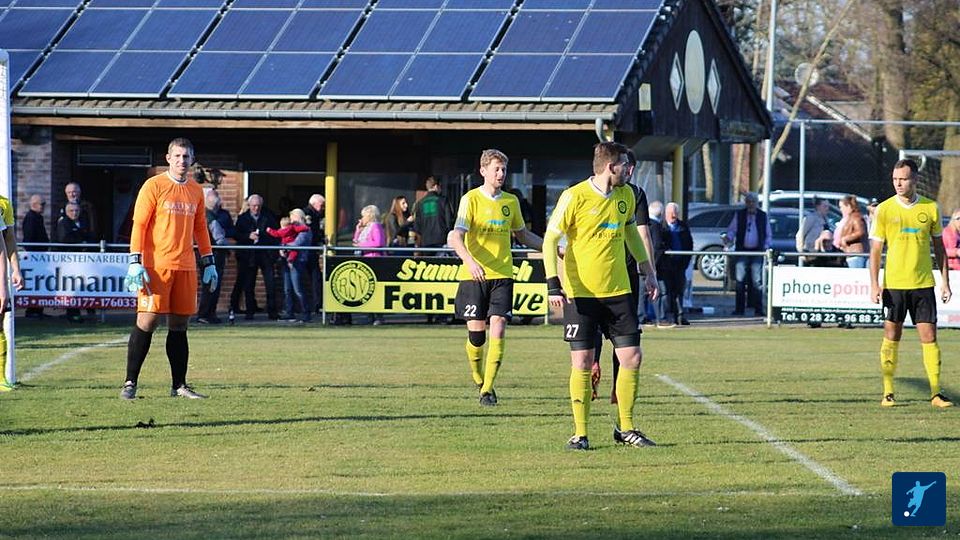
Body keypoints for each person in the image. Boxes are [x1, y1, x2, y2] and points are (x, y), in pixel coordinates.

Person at [542, 142, 658, 450]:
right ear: (610, 167)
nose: (629, 170)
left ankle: (626, 428)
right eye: (625, 165)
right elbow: (550, 239)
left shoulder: (626, 195)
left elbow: (631, 233)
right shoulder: (574, 196)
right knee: (582, 361)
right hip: (581, 294)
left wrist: (648, 271)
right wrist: (553, 283)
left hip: (619, 291)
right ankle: (580, 434)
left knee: (632, 357)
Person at [120, 137, 218, 400]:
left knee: (179, 324)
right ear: (168, 158)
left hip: (185, 266)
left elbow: (200, 228)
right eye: (177, 156)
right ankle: (130, 382)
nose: (181, 161)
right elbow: (140, 225)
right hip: (156, 266)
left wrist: (208, 261)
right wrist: (135, 261)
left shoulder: (196, 190)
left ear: (192, 160)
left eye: (186, 156)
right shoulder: (154, 185)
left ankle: (179, 386)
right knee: (147, 320)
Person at [448, 149, 543, 406]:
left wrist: (551, 247)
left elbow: (523, 235)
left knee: (499, 325)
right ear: (483, 171)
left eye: (503, 169)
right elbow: (455, 236)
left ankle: (488, 390)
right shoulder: (470, 199)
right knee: (477, 337)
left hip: (502, 274)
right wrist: (470, 262)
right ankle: (479, 378)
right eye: (496, 169)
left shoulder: (511, 202)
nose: (501, 174)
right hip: (474, 277)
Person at [869, 158, 952, 408]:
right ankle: (888, 392)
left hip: (923, 284)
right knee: (891, 335)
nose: (898, 184)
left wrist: (945, 282)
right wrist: (875, 284)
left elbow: (940, 248)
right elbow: (875, 251)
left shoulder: (930, 208)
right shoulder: (884, 209)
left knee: (929, 336)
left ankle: (936, 393)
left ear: (915, 179)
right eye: (895, 179)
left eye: (903, 179)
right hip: (894, 284)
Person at [590, 147, 657, 404]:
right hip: (621, 272)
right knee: (623, 334)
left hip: (606, 270)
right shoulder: (634, 193)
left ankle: (596, 365)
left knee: (599, 326)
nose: (628, 170)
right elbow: (643, 234)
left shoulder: (619, 192)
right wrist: (650, 271)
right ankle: (615, 387)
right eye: (625, 166)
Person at [233, 194, 280, 321]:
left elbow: (276, 235)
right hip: (249, 255)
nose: (256, 208)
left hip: (265, 254)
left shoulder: (268, 217)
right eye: (254, 206)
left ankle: (272, 312)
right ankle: (250, 312)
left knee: (270, 284)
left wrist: (268, 243)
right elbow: (236, 234)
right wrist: (248, 236)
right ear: (249, 205)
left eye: (258, 206)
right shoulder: (243, 218)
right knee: (249, 284)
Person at [725, 192, 772, 316]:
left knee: (757, 281)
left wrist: (766, 247)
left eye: (753, 202)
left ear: (756, 203)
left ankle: (758, 309)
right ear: (745, 203)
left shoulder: (763, 216)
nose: (750, 204)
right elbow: (732, 230)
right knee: (740, 281)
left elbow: (768, 234)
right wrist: (728, 238)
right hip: (742, 250)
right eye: (748, 202)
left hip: (758, 251)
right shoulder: (739, 215)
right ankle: (739, 309)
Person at [196, 189, 234, 324]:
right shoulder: (206, 216)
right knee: (210, 285)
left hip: (214, 254)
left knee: (213, 285)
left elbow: (231, 231)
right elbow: (219, 238)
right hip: (209, 254)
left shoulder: (221, 215)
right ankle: (204, 314)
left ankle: (209, 313)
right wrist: (227, 247)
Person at [657, 202, 693, 326]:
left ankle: (680, 316)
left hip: (680, 265)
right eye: (670, 213)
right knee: (665, 292)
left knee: (679, 292)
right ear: (665, 213)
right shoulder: (660, 227)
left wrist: (686, 261)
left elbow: (689, 244)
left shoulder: (683, 226)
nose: (673, 215)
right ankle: (665, 317)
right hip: (665, 266)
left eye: (675, 213)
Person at [57, 202, 94, 323]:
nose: (74, 213)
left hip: (82, 261)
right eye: (71, 211)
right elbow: (64, 239)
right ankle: (73, 313)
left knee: (85, 283)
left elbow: (89, 236)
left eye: (76, 211)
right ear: (66, 212)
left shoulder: (83, 222)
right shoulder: (63, 223)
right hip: (69, 261)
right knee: (71, 286)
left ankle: (90, 310)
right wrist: (80, 242)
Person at [277, 209, 313, 323]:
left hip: (298, 261)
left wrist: (284, 246)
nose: (291, 221)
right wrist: (282, 247)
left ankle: (306, 313)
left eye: (293, 218)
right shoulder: (292, 229)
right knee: (287, 288)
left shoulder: (305, 229)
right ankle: (289, 312)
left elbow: (297, 243)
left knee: (298, 289)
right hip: (287, 259)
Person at [22, 194, 49, 318]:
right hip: (35, 256)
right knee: (35, 282)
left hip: (40, 256)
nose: (43, 207)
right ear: (34, 204)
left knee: (40, 283)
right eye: (42, 204)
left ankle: (38, 310)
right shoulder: (31, 218)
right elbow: (29, 238)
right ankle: (32, 310)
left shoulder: (38, 217)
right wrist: (34, 254)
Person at [412, 176, 453, 250]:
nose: (441, 189)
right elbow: (449, 221)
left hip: (425, 242)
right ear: (436, 186)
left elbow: (417, 226)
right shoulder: (443, 201)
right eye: (440, 186)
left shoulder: (420, 203)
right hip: (441, 240)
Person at [302, 194, 325, 314]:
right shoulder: (307, 214)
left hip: (310, 251)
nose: (323, 208)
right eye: (321, 205)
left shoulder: (316, 215)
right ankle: (313, 305)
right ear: (314, 203)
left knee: (316, 278)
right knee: (313, 278)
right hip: (306, 251)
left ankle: (316, 304)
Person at [796, 197, 832, 266]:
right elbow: (800, 235)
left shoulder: (826, 219)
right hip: (811, 252)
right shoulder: (811, 218)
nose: (827, 209)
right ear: (818, 206)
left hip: (823, 252)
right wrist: (801, 252)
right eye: (824, 206)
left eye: (828, 206)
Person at [837, 194, 869, 269]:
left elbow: (860, 232)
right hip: (853, 254)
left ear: (848, 206)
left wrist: (845, 239)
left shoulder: (856, 217)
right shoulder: (852, 217)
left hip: (856, 254)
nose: (840, 209)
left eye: (841, 207)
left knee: (857, 276)